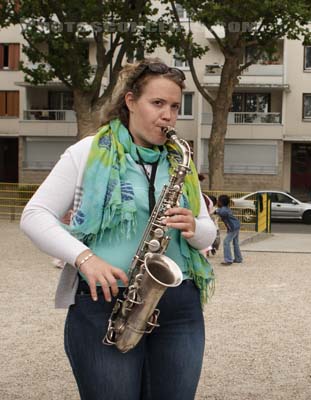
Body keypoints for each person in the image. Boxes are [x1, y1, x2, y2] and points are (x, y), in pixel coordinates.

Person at [20, 58, 217, 400]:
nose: (168, 115)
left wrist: (194, 228)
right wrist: (84, 258)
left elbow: (207, 231)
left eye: (174, 106)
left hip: (178, 307)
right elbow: (35, 215)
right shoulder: (88, 152)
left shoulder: (180, 160)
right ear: (130, 101)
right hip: (106, 302)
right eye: (157, 104)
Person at [216, 194, 242, 265]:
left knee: (226, 242)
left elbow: (222, 212)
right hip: (235, 226)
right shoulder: (226, 208)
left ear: (221, 202)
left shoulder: (224, 209)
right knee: (235, 243)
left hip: (233, 228)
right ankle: (238, 258)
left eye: (218, 201)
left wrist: (216, 211)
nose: (217, 202)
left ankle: (228, 260)